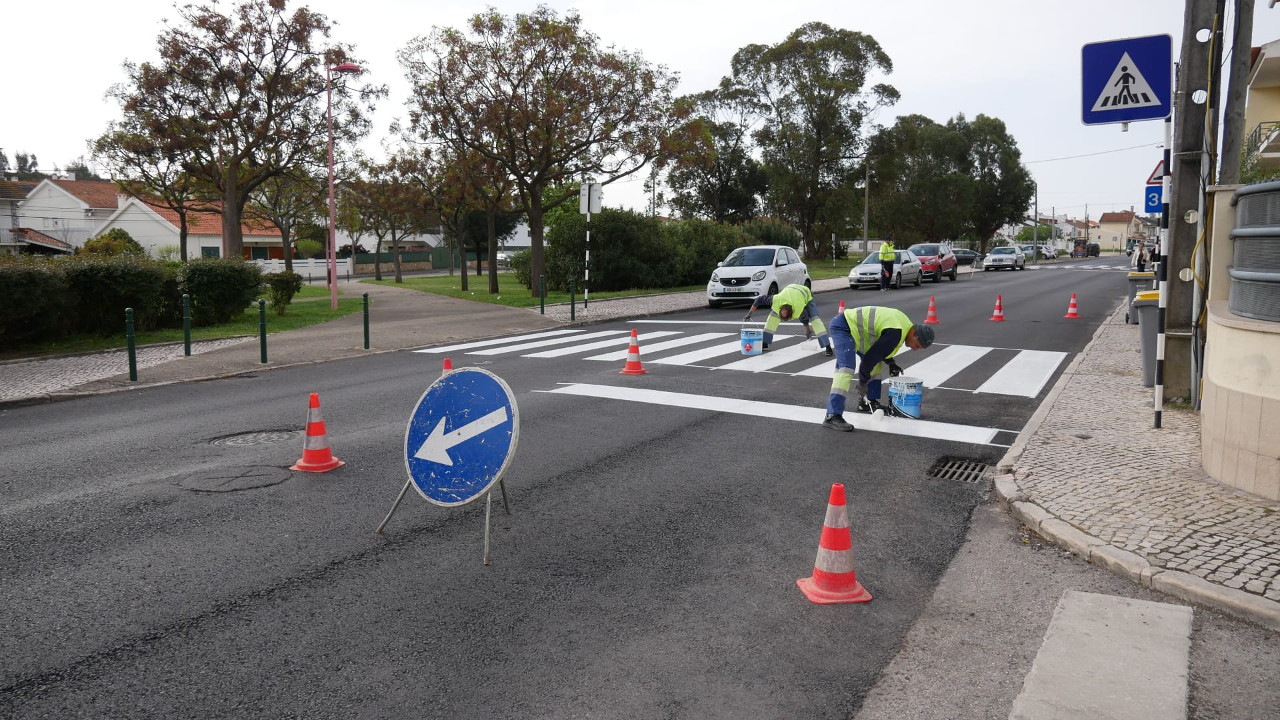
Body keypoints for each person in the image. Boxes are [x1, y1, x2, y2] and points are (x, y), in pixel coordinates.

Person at [821, 305, 935, 432]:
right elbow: (868, 360)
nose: (915, 349)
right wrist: (862, 383)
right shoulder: (896, 332)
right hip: (844, 327)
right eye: (917, 345)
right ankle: (832, 415)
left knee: (876, 364)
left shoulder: (904, 327)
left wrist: (891, 363)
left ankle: (867, 402)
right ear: (914, 334)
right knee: (846, 367)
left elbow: (880, 351)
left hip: (859, 332)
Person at [743, 283, 833, 356]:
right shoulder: (776, 300)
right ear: (780, 309)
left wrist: (808, 330)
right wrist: (749, 313)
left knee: (815, 320)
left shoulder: (798, 308)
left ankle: (827, 347)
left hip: (806, 294)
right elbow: (759, 299)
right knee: (772, 318)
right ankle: (765, 342)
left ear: (791, 315)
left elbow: (804, 317)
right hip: (790, 288)